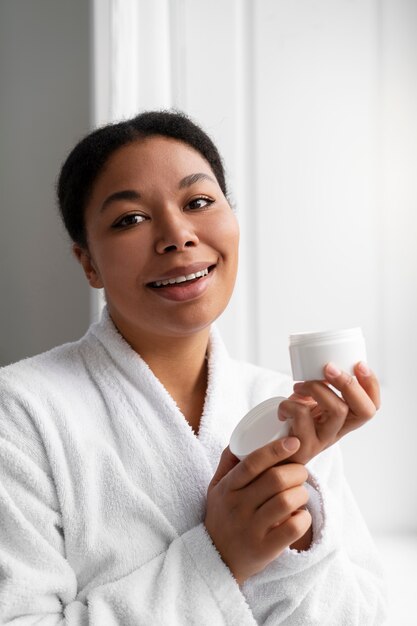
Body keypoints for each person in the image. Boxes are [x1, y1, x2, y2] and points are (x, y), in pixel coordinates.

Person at [0, 110, 386, 624]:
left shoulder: (285, 408)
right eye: (130, 219)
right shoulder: (21, 412)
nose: (177, 235)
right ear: (88, 262)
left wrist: (297, 522)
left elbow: (365, 616)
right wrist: (221, 558)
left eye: (199, 202)